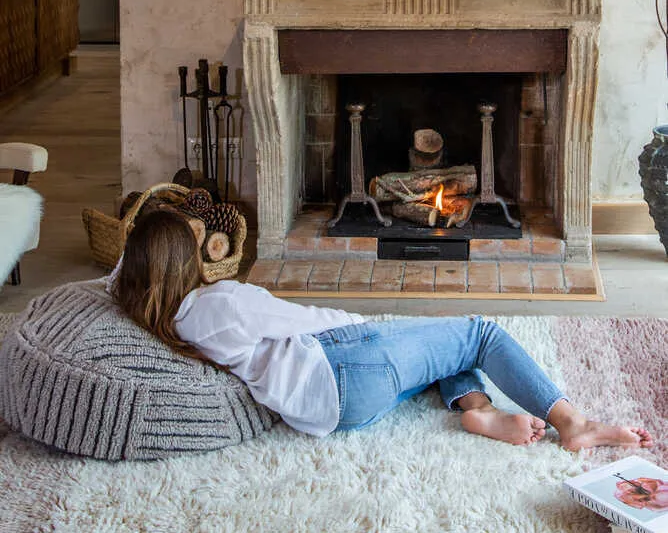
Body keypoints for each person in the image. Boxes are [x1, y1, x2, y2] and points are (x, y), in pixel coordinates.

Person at [112, 207, 653, 451]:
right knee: (480, 332)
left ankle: (479, 412)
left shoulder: (167, 319)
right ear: (183, 261)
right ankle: (574, 423)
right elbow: (307, 321)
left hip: (334, 412)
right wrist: (370, 327)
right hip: (348, 364)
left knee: (443, 346)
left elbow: (114, 276)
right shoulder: (222, 302)